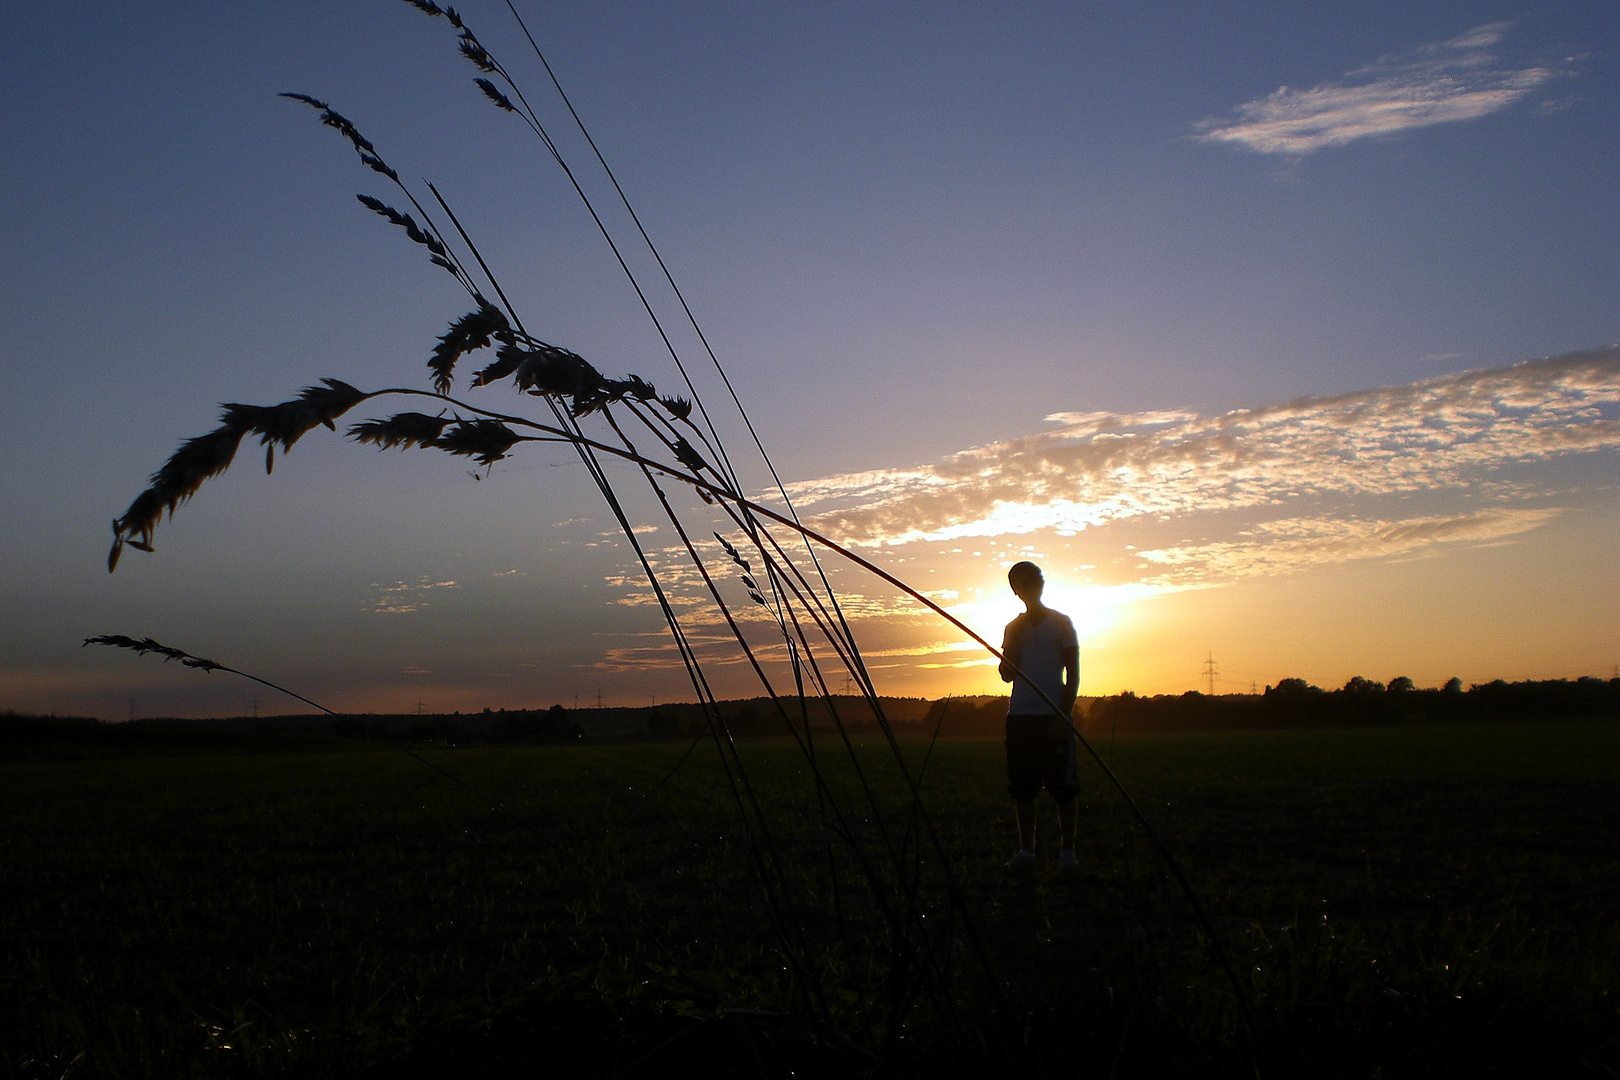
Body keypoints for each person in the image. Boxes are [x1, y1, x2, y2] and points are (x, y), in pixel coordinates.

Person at [998, 561, 1080, 875]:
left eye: (1032, 581)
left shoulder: (1062, 623)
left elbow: (1073, 673)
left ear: (1041, 584)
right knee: (1023, 787)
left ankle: (1068, 852)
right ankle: (1027, 851)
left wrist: (1065, 715)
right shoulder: (1012, 628)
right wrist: (1010, 650)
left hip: (1053, 715)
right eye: (1021, 583)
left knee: (1064, 788)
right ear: (1015, 591)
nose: (1028, 588)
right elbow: (1006, 675)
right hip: (1020, 716)